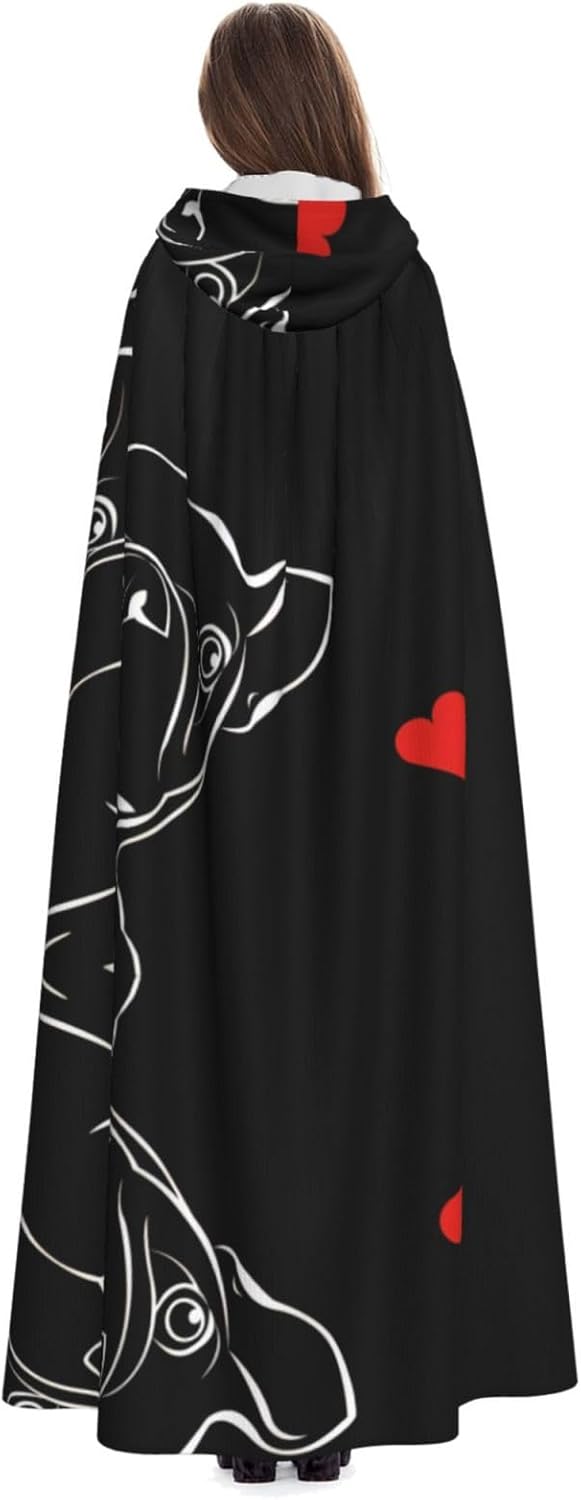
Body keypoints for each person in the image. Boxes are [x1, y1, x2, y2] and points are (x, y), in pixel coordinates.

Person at [2, 2, 577, 1486]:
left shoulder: (179, 276)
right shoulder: (404, 284)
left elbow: (142, 522)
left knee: (205, 1007)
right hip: (390, 757)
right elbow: (435, 557)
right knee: (383, 1016)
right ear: (327, 104)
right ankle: (357, 1383)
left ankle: (225, 1408)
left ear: (229, 115)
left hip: (213, 761)